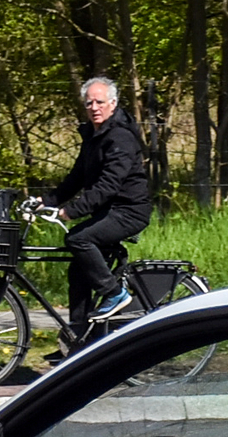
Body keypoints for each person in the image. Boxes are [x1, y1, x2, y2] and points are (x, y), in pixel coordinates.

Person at [46, 76, 153, 331]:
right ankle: (78, 339)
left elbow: (109, 185)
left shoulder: (120, 138)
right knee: (79, 269)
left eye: (100, 102)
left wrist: (71, 211)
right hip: (111, 210)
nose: (94, 107)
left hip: (130, 211)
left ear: (113, 104)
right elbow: (76, 178)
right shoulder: (94, 136)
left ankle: (115, 293)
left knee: (78, 239)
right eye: (89, 103)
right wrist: (46, 201)